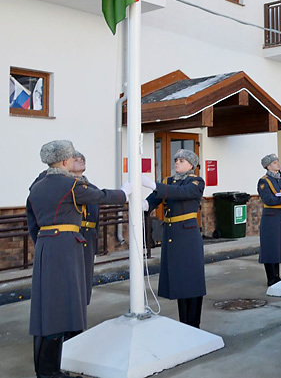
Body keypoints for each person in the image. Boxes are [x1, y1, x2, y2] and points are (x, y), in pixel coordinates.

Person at [27, 140, 130, 378]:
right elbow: (100, 196)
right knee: (60, 309)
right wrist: (126, 193)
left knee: (46, 308)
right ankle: (50, 372)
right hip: (65, 247)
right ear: (65, 161)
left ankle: (44, 368)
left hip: (45, 246)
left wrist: (45, 243)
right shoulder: (70, 185)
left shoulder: (37, 186)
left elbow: (32, 222)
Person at [144, 149, 206, 328]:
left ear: (191, 165)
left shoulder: (196, 181)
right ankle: (184, 323)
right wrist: (144, 204)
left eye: (181, 160)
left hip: (188, 235)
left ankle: (194, 323)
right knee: (180, 279)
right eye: (176, 159)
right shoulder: (168, 181)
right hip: (172, 235)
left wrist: (155, 185)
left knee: (191, 279)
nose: (177, 162)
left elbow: (182, 193)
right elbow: (155, 199)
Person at [257, 154, 281, 287]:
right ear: (268, 166)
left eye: (278, 162)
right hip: (271, 216)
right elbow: (269, 200)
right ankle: (271, 277)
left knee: (278, 246)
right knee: (270, 246)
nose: (278, 164)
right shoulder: (264, 181)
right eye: (274, 163)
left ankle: (277, 276)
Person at [70, 152, 100, 306]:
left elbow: (96, 217)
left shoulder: (92, 188)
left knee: (86, 277)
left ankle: (82, 312)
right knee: (72, 279)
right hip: (73, 236)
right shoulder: (67, 187)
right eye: (76, 159)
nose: (81, 161)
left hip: (89, 236)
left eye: (82, 159)